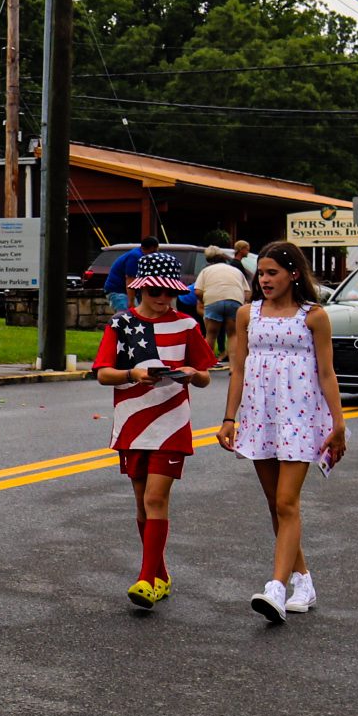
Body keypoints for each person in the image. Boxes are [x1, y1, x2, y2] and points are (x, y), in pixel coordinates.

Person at [220, 240, 346, 624]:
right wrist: (229, 418)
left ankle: (276, 587)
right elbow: (238, 369)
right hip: (260, 417)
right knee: (276, 503)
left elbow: (327, 373)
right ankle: (303, 580)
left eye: (272, 272)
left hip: (300, 418)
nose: (264, 279)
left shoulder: (314, 316)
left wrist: (338, 423)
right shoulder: (247, 314)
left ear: (293, 274)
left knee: (287, 503)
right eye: (261, 273)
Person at [94, 252, 217, 611]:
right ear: (139, 289)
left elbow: (206, 375)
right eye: (155, 293)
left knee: (155, 499)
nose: (163, 300)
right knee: (141, 502)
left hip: (172, 423)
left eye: (170, 293)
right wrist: (133, 374)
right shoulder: (121, 324)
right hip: (132, 422)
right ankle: (160, 574)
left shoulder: (187, 326)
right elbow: (103, 373)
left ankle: (146, 579)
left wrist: (192, 374)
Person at [194, 245, 250, 356]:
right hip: (234, 300)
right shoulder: (236, 270)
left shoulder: (206, 271)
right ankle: (233, 364)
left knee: (211, 335)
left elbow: (198, 291)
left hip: (213, 301)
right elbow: (247, 292)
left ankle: (207, 363)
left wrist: (204, 301)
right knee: (233, 335)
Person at [104, 236, 156, 315]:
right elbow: (130, 279)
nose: (154, 254)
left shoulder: (142, 255)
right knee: (126, 316)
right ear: (146, 249)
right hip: (118, 291)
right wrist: (131, 301)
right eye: (153, 251)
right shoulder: (135, 257)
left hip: (127, 291)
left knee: (137, 315)